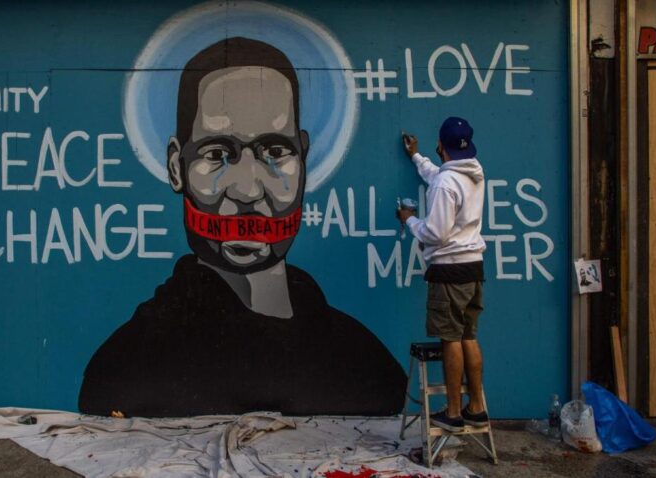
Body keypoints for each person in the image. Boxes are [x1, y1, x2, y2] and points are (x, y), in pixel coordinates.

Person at [79, 37, 407, 417]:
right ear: (176, 167)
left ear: (303, 160)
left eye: (276, 152)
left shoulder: (366, 364)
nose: (248, 190)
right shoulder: (126, 366)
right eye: (217, 154)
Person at [397, 117, 489, 432]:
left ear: (441, 145)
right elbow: (438, 174)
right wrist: (416, 157)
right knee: (468, 337)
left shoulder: (445, 183)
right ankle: (476, 407)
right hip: (473, 267)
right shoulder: (473, 173)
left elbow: (435, 233)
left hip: (449, 270)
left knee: (450, 340)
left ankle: (452, 412)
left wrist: (409, 220)